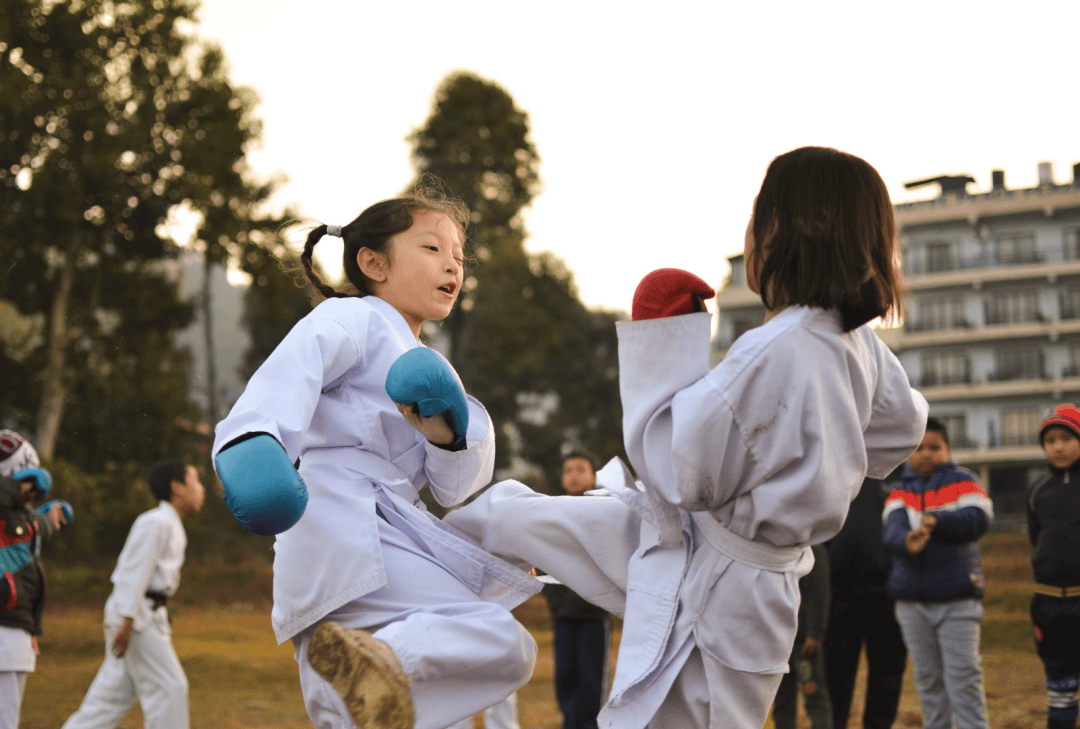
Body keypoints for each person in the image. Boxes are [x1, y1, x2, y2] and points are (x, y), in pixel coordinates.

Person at [446, 146, 929, 728]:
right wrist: (821, 460)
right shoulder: (859, 346)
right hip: (752, 569)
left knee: (685, 718)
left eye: (758, 216)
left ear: (792, 230)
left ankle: (405, 588)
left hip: (720, 572)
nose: (749, 234)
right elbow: (902, 430)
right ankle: (411, 585)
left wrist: (665, 343)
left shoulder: (776, 347)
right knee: (525, 520)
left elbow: (678, 473)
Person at [211, 189, 540, 729]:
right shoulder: (354, 318)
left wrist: (447, 434)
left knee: (370, 714)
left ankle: (378, 662)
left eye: (459, 256)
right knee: (501, 641)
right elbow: (291, 374)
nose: (452, 264)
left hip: (382, 535)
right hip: (343, 516)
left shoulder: (431, 362)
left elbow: (453, 487)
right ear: (373, 262)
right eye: (433, 248)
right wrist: (254, 446)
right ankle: (389, 658)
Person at [61, 460, 204, 729]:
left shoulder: (169, 523)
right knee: (169, 688)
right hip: (136, 619)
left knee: (111, 697)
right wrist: (127, 619)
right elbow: (134, 571)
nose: (201, 490)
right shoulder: (156, 522)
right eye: (195, 481)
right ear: (177, 487)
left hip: (144, 615)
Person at [883, 417, 992, 729]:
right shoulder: (897, 491)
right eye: (918, 448)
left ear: (948, 449)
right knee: (928, 680)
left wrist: (936, 522)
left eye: (934, 447)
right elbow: (891, 533)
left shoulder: (965, 481)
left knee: (964, 678)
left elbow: (978, 518)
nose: (925, 454)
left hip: (958, 600)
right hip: (912, 605)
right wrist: (907, 541)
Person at [0, 429, 71, 729]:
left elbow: (32, 524)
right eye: (24, 483)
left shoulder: (15, 517)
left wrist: (48, 519)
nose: (27, 495)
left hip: (17, 631)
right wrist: (23, 484)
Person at [824, 477, 907, 729]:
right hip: (837, 594)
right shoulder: (837, 465)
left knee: (887, 675)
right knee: (835, 675)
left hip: (888, 594)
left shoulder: (900, 472)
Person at [542, 452, 611, 729]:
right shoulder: (553, 512)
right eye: (568, 469)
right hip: (563, 613)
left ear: (594, 477)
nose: (573, 475)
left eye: (581, 469)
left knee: (591, 680)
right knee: (565, 677)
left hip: (593, 613)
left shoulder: (606, 512)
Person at [1028, 403, 1080, 729]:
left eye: (1066, 438)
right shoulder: (1037, 491)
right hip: (1048, 604)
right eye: (1050, 440)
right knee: (1060, 692)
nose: (1057, 446)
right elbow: (1037, 539)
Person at [773, 544, 833, 729]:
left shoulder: (812, 546)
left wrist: (815, 631)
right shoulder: (774, 542)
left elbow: (820, 588)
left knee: (814, 695)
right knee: (781, 699)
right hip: (778, 638)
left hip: (804, 640)